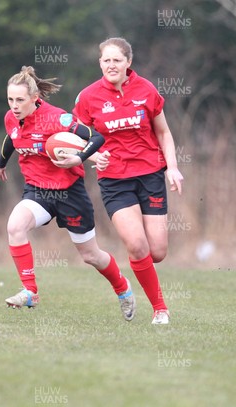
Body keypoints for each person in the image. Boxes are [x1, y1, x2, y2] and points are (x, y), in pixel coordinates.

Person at [0, 65, 136, 322]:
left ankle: (122, 288)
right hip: (38, 191)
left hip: (70, 193)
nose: (14, 105)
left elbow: (95, 138)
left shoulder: (58, 118)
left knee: (91, 255)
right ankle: (31, 292)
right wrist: (0, 165)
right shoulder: (11, 117)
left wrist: (79, 157)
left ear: (35, 98)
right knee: (15, 226)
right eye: (10, 99)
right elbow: (12, 138)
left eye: (20, 100)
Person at [73, 37, 184, 325]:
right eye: (106, 60)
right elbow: (77, 139)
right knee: (136, 244)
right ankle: (160, 309)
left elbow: (164, 133)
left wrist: (172, 167)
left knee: (156, 252)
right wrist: (93, 158)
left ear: (128, 63)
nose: (111, 65)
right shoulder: (88, 97)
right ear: (100, 63)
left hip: (150, 175)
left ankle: (140, 268)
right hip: (114, 181)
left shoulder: (146, 89)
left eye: (117, 60)